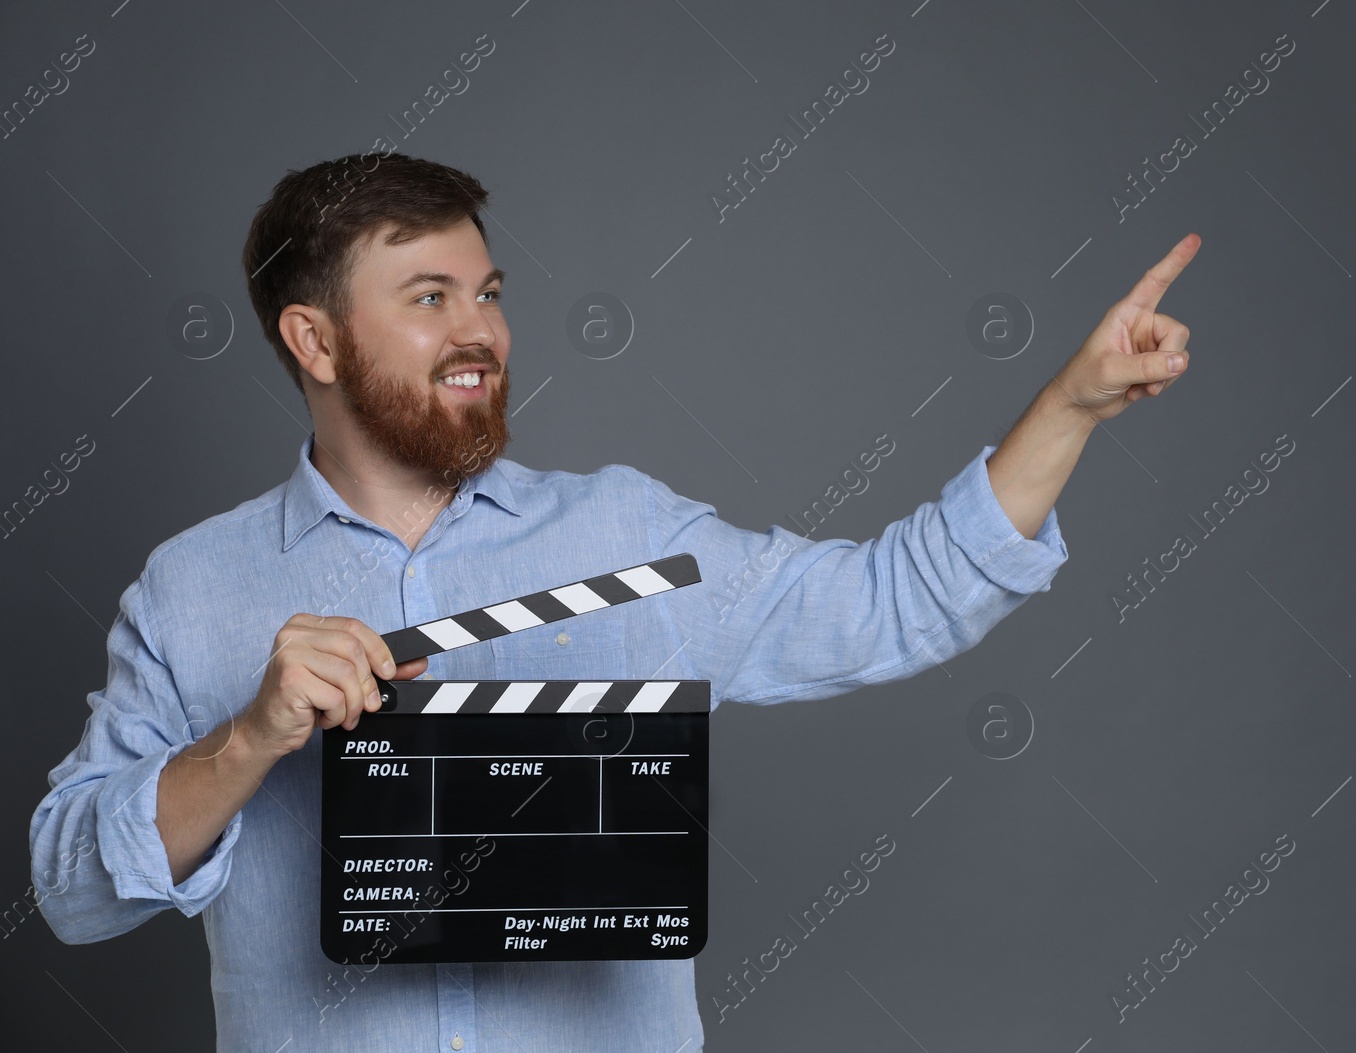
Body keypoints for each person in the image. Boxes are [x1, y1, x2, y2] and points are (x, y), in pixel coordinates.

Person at [28, 152, 1195, 1052]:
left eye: (486, 291)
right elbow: (72, 891)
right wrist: (250, 737)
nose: (479, 328)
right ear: (315, 340)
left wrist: (1073, 408)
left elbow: (890, 602)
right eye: (427, 297)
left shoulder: (626, 535)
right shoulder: (194, 586)